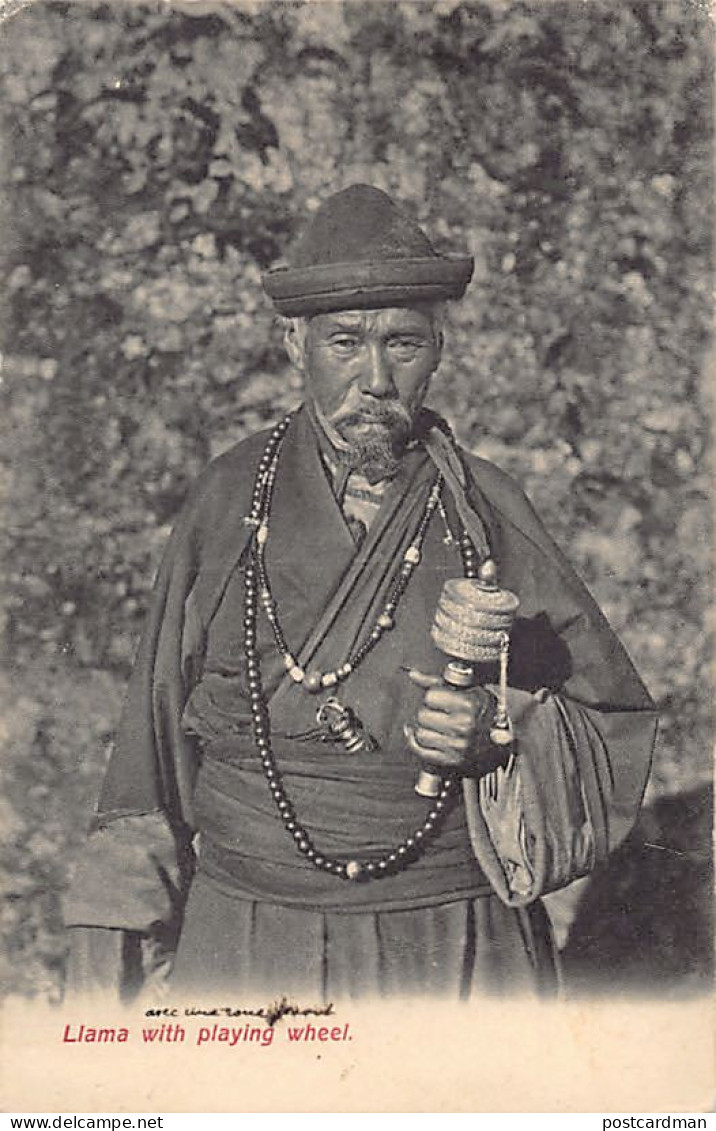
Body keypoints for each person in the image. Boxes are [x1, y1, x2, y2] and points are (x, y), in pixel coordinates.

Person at [64, 184, 658, 1001]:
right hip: (249, 934)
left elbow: (608, 721)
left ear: (438, 351)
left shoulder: (487, 509)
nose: (374, 378)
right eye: (345, 342)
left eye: (403, 343)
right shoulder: (227, 497)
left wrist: (499, 730)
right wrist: (113, 952)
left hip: (452, 938)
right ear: (294, 346)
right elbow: (152, 735)